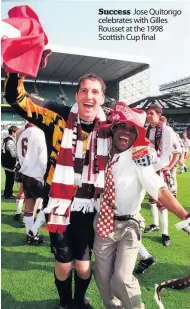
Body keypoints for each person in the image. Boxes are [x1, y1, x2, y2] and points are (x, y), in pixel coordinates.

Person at [4, 72, 108, 309]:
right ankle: (65, 303)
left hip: (90, 206)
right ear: (76, 95)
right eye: (84, 90)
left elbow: (135, 137)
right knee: (63, 265)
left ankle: (79, 301)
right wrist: (16, 71)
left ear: (102, 98)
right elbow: (17, 99)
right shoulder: (57, 114)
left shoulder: (110, 126)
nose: (88, 96)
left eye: (95, 92)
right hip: (58, 203)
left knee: (83, 266)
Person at [93, 102, 190, 309]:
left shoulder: (139, 159)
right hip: (102, 224)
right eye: (122, 127)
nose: (126, 133)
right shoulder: (98, 153)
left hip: (129, 225)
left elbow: (160, 190)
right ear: (113, 129)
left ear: (137, 134)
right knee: (102, 279)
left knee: (121, 278)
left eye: (131, 129)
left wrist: (185, 216)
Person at [144, 104, 181, 246]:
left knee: (162, 202)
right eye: (147, 113)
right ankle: (155, 224)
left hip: (160, 169)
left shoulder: (167, 130)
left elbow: (177, 151)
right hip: (149, 168)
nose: (148, 116)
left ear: (159, 115)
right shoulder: (148, 130)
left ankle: (165, 233)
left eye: (151, 113)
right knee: (152, 200)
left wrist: (170, 166)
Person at [17, 122, 47, 244]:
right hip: (37, 174)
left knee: (29, 206)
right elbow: (43, 156)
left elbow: (19, 155)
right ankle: (32, 232)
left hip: (26, 173)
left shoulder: (22, 134)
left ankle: (30, 235)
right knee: (49, 204)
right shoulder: (40, 133)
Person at [2, 125, 18, 199]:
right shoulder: (10, 141)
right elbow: (13, 154)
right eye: (16, 132)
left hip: (6, 162)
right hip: (9, 163)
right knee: (10, 179)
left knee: (9, 179)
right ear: (13, 132)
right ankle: (8, 194)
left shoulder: (6, 139)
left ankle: (7, 193)